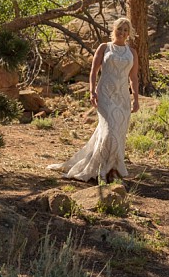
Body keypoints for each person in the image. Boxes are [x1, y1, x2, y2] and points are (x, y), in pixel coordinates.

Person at [47, 17, 139, 183]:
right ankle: (100, 170)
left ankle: (112, 169)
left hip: (122, 97)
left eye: (126, 30)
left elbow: (133, 78)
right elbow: (94, 71)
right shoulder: (104, 47)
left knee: (118, 133)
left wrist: (136, 99)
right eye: (120, 29)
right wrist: (92, 91)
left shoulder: (132, 53)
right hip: (105, 94)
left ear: (129, 33)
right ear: (114, 30)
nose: (122, 32)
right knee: (109, 132)